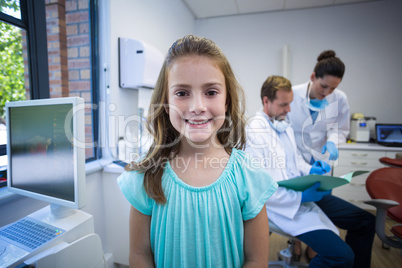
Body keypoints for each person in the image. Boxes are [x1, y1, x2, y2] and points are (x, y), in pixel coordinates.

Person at [117, 35, 278, 267]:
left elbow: (256, 260)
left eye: (211, 92)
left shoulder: (249, 177)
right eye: (182, 93)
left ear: (227, 101)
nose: (197, 107)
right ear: (165, 101)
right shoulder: (147, 175)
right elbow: (140, 255)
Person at [245, 75, 375, 268]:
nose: (289, 110)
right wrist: (300, 197)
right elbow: (260, 189)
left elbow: (295, 161)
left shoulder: (282, 125)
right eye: (283, 105)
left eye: (290, 104)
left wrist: (311, 169)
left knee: (365, 221)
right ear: (266, 101)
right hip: (280, 206)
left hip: (301, 196)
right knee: (341, 256)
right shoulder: (254, 131)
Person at [288, 50, 350, 164]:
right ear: (313, 77)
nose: (327, 92)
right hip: (295, 159)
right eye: (324, 86)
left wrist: (332, 141)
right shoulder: (292, 94)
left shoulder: (340, 99)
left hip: (321, 159)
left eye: (333, 88)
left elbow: (341, 129)